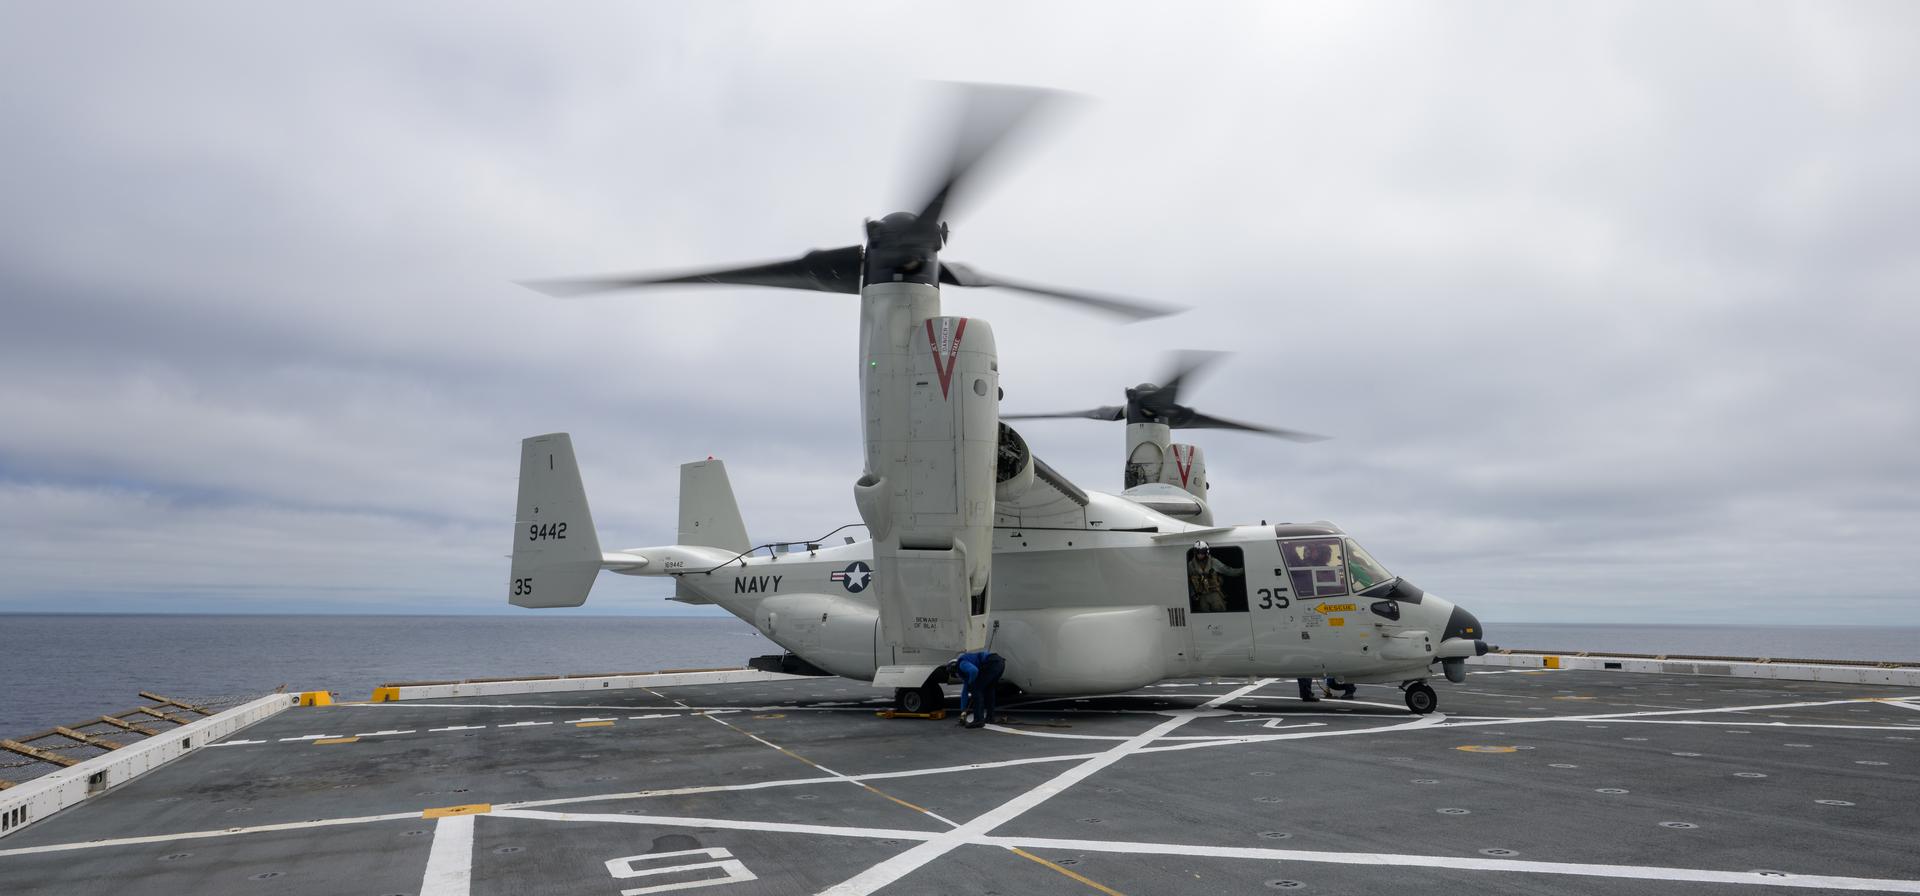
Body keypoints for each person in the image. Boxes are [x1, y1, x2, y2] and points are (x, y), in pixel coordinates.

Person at [951, 650, 1006, 729]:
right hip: (1000, 662)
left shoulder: (961, 663)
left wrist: (972, 684)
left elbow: (974, 671)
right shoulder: (968, 665)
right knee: (989, 690)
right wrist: (963, 710)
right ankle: (990, 718)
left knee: (976, 690)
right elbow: (965, 692)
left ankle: (978, 720)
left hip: (992, 662)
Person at [1187, 541, 1243, 613]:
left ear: (1206, 551)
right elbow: (1189, 581)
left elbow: (1229, 571)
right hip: (1201, 596)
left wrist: (1244, 569)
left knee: (1219, 612)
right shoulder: (1191, 566)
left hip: (1214, 594)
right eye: (1198, 552)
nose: (1200, 554)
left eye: (1202, 551)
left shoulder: (1213, 562)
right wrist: (1192, 594)